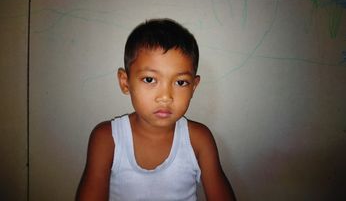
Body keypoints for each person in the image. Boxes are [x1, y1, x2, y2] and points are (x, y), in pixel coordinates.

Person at [76, 18, 236, 201]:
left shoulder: (199, 140)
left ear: (193, 86)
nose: (165, 97)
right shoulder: (106, 139)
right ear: (125, 82)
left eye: (180, 82)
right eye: (150, 80)